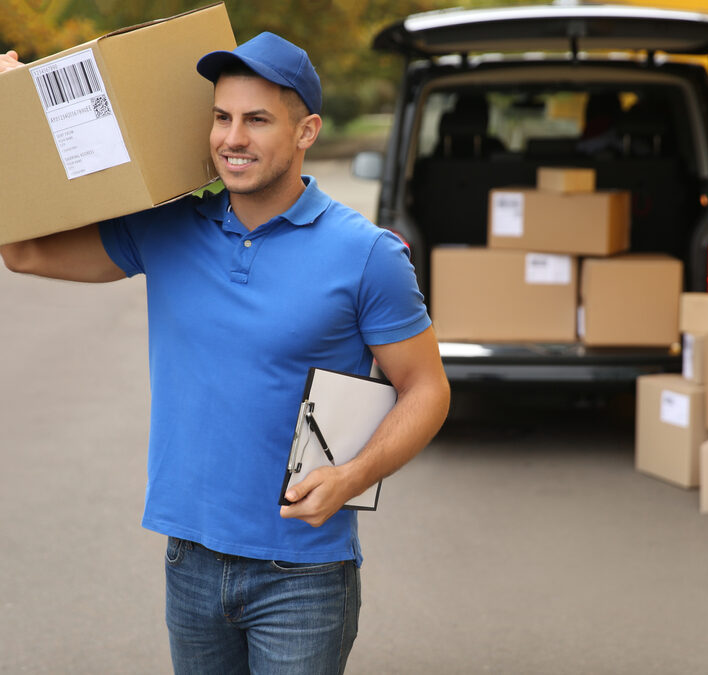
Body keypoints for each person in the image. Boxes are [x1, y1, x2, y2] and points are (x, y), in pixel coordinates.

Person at [0, 33, 450, 675]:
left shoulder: (367, 255)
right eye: (222, 117)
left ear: (306, 132)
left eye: (258, 120)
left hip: (303, 572)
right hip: (190, 559)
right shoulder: (168, 227)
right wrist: (8, 112)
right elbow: (21, 251)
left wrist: (355, 476)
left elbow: (427, 389)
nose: (232, 137)